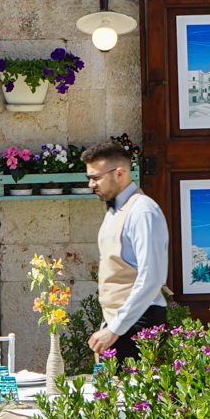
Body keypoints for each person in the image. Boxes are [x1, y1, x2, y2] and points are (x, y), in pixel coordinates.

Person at [82, 138, 169, 361]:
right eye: (89, 177)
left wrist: (114, 329)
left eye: (96, 177)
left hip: (140, 322)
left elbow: (152, 278)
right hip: (120, 323)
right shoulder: (115, 210)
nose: (91, 184)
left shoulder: (142, 211)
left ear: (119, 173)